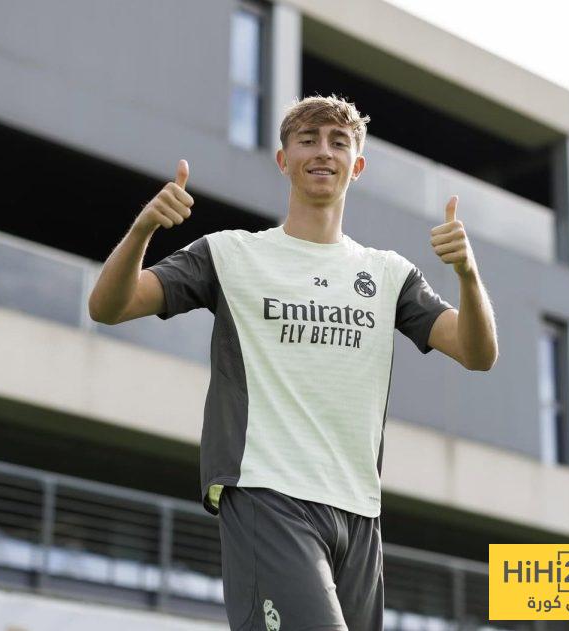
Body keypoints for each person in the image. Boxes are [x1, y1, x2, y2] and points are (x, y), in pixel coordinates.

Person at [88, 94, 498, 630]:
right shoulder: (229, 254)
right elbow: (109, 307)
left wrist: (468, 274)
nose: (323, 151)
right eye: (308, 140)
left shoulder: (389, 274)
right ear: (284, 160)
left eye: (338, 142)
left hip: (359, 511)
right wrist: (142, 230)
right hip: (266, 494)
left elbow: (477, 353)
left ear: (357, 166)